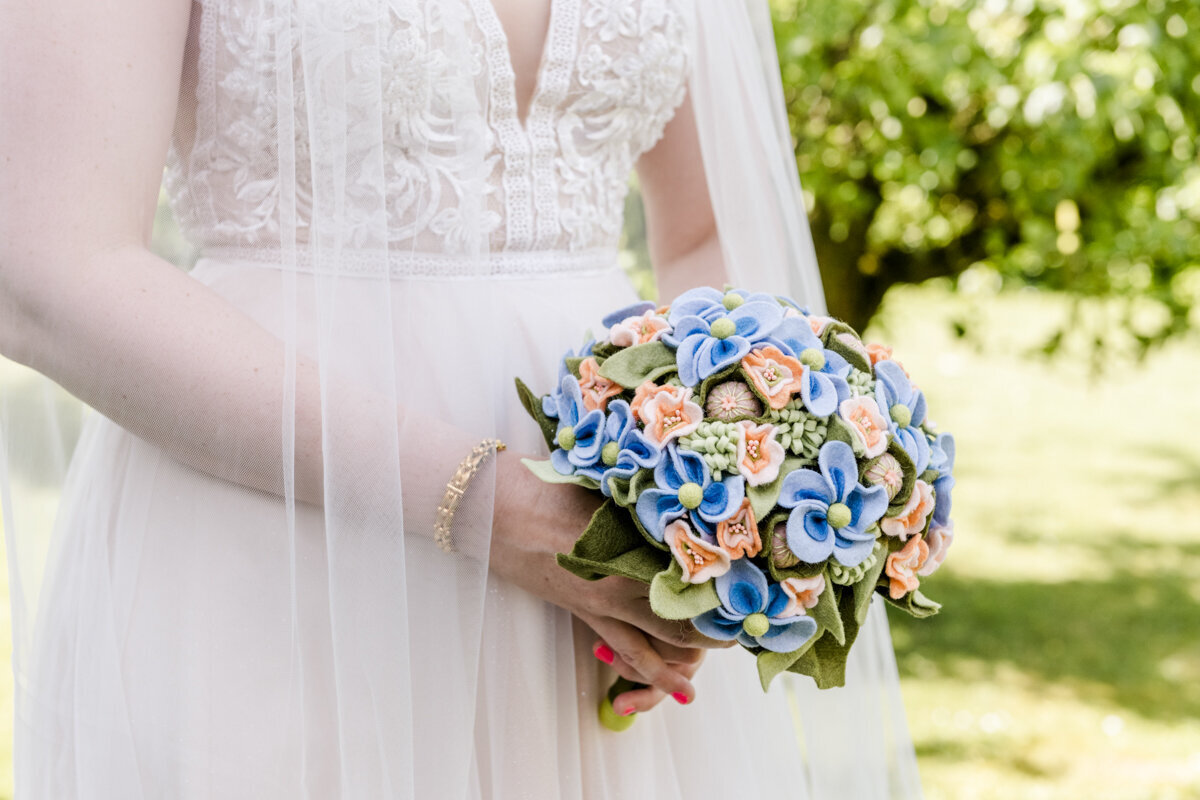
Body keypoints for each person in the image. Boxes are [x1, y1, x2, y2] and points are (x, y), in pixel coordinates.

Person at [0, 0, 923, 796]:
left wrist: (735, 511)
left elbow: (708, 232)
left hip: (606, 574)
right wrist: (497, 509)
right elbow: (47, 270)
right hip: (273, 543)